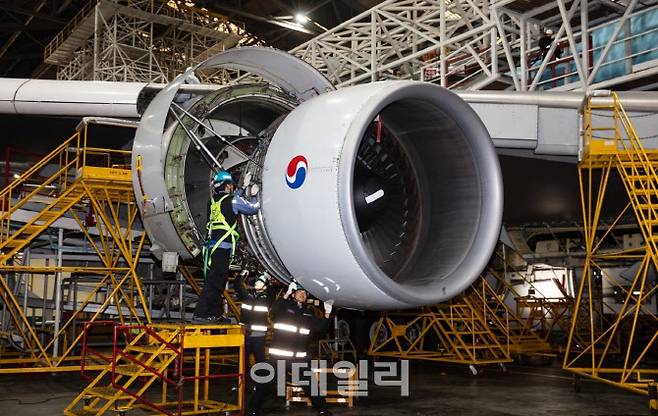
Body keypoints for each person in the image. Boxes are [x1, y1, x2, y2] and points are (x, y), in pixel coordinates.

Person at [248, 281, 333, 416]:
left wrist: (327, 314)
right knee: (263, 385)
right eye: (300, 292)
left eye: (305, 293)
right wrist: (286, 294)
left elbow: (319, 327)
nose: (303, 294)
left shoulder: (308, 313)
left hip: (298, 360)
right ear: (294, 294)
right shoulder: (285, 306)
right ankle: (252, 411)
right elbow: (273, 310)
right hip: (279, 358)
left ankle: (323, 411)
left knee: (311, 386)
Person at [193, 170, 260, 323]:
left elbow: (232, 201)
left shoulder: (212, 201)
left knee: (216, 280)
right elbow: (253, 208)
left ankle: (214, 314)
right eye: (231, 185)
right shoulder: (232, 200)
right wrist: (254, 194)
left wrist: (242, 188)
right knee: (215, 282)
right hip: (222, 247)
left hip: (211, 247)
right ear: (228, 185)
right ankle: (201, 314)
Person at [234, 270, 276, 369]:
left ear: (264, 286)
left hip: (259, 336)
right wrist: (241, 275)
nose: (258, 283)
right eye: (257, 281)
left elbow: (272, 292)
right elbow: (238, 286)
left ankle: (261, 382)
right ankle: (244, 382)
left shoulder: (267, 298)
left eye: (261, 282)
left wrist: (268, 280)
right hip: (245, 333)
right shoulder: (247, 295)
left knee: (260, 361)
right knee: (243, 361)